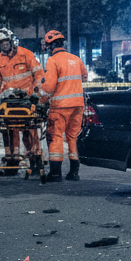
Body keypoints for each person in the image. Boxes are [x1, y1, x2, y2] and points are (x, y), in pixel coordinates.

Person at [0, 27, 44, 175]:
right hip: (9, 102)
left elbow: (39, 75)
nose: (3, 45)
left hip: (27, 101)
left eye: (5, 42)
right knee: (9, 131)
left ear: (11, 41)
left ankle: (35, 160)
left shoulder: (26, 54)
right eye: (0, 43)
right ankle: (12, 161)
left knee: (29, 131)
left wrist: (36, 93)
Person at [38, 30, 85, 182]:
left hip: (60, 107)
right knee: (73, 137)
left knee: (55, 136)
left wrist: (41, 99)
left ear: (50, 46)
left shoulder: (53, 60)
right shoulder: (76, 59)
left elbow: (49, 87)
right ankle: (74, 172)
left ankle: (55, 173)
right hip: (78, 105)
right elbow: (84, 77)